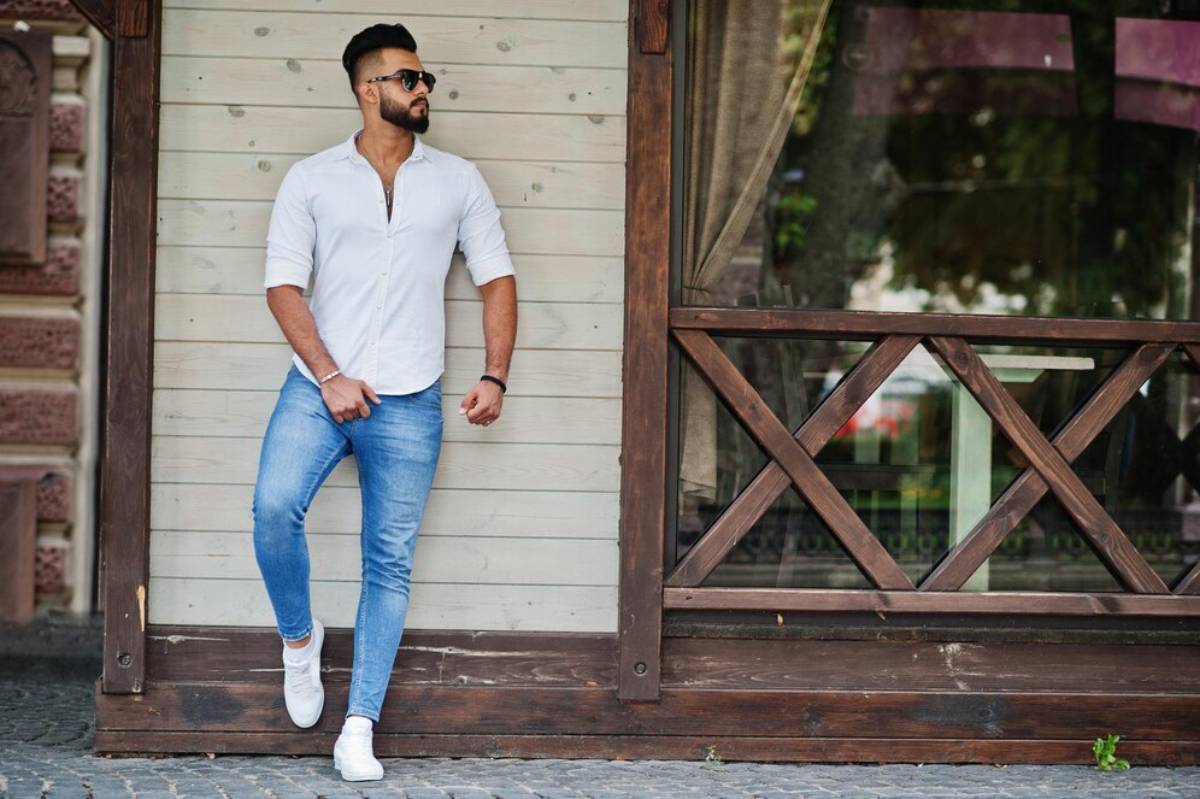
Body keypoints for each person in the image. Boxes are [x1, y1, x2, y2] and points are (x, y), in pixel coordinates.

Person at [250, 22, 518, 782]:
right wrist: (329, 373)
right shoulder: (311, 179)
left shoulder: (458, 180)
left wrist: (495, 374)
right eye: (409, 78)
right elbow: (282, 286)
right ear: (368, 89)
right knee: (273, 508)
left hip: (411, 396)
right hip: (316, 388)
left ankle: (358, 726)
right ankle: (299, 640)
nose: (423, 88)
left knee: (388, 562)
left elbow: (497, 278)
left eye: (425, 78)